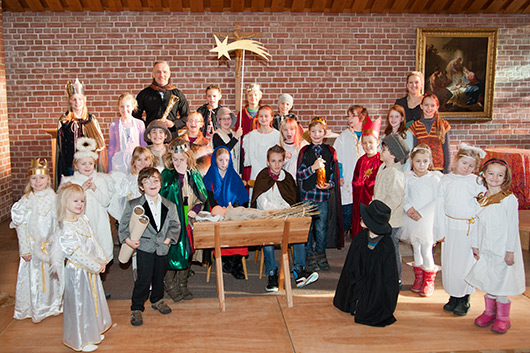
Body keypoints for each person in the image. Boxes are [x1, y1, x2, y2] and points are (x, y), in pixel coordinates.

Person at [466, 159, 525, 334]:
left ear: (505, 178)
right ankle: (489, 312)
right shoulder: (482, 198)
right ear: (483, 174)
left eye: (500, 175)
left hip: (503, 248)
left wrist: (510, 251)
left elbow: (513, 227)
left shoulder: (508, 199)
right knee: (489, 278)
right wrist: (475, 245)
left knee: (502, 281)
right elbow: (478, 223)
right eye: (491, 173)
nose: (495, 178)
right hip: (486, 246)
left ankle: (503, 317)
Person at [251, 145, 318, 291]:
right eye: (273, 161)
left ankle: (299, 271)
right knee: (267, 237)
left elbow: (289, 200)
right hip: (267, 218)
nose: (276, 164)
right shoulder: (262, 176)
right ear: (268, 162)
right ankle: (272, 272)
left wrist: (284, 211)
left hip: (284, 216)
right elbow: (261, 202)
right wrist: (275, 212)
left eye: (280, 161)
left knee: (297, 230)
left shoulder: (287, 178)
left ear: (283, 161)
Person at [119, 167, 179, 326]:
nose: (152, 184)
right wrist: (127, 240)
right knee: (143, 279)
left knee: (160, 276)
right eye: (147, 181)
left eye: (155, 180)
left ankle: (157, 299)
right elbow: (123, 225)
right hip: (144, 248)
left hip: (162, 248)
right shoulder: (134, 205)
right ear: (141, 186)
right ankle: (137, 307)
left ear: (160, 183)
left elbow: (175, 225)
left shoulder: (170, 205)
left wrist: (168, 240)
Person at [58, 183, 111, 352]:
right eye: (75, 201)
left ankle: (92, 331)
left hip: (91, 269)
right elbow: (75, 253)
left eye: (82, 200)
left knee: (92, 300)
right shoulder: (64, 227)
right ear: (64, 202)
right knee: (80, 304)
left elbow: (93, 241)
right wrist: (94, 265)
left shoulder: (83, 219)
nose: (80, 204)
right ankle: (81, 339)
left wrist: (102, 259)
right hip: (78, 271)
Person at [434, 143, 486, 316]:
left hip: (467, 229)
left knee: (465, 264)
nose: (467, 168)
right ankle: (453, 296)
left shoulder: (477, 182)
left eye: (471, 165)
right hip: (450, 227)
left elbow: (481, 207)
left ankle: (464, 298)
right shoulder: (446, 180)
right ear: (456, 161)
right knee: (450, 264)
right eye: (464, 163)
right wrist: (439, 230)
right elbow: (440, 205)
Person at [10, 158, 63, 323]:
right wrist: (25, 249)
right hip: (33, 248)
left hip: (50, 246)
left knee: (52, 277)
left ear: (48, 179)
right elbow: (21, 226)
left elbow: (58, 224)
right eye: (34, 178)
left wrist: (58, 245)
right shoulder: (25, 202)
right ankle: (36, 308)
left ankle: (54, 305)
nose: (38, 182)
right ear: (29, 181)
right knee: (35, 279)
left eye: (41, 178)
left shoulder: (55, 198)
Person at [333, 200, 399, 327]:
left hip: (376, 287)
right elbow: (350, 266)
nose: (361, 218)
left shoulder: (386, 245)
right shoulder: (360, 239)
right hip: (357, 283)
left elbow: (388, 276)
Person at [160, 140, 207, 302]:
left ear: (188, 158)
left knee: (186, 251)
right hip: (171, 220)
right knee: (172, 251)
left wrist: (195, 210)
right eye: (175, 159)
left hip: (188, 218)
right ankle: (170, 285)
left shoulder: (193, 174)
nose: (179, 163)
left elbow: (201, 196)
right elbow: (161, 197)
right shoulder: (167, 175)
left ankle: (182, 284)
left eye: (182, 159)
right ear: (170, 159)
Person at [297, 117, 342, 272]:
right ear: (309, 133)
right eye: (313, 131)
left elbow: (334, 173)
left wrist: (331, 184)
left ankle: (321, 253)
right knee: (308, 227)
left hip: (322, 197)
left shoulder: (330, 151)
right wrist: (313, 168)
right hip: (308, 196)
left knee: (321, 227)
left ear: (325, 133)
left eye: (320, 131)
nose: (317, 134)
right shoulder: (304, 151)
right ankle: (309, 253)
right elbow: (300, 175)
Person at [61, 137, 113, 263]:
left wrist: (95, 189)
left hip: (98, 221)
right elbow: (64, 203)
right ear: (76, 165)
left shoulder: (100, 180)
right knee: (83, 254)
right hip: (79, 222)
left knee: (100, 252)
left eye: (90, 163)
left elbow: (106, 202)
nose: (87, 166)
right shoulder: (70, 181)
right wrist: (81, 190)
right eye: (83, 164)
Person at [398, 145, 441, 297]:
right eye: (418, 161)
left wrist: (421, 212)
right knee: (416, 248)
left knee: (426, 249)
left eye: (425, 161)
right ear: (411, 161)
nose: (421, 165)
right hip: (411, 218)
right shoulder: (407, 177)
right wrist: (409, 208)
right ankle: (418, 278)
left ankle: (429, 280)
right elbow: (403, 195)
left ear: (429, 162)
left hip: (427, 219)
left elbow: (437, 199)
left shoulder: (435, 179)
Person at [203, 146, 249, 279]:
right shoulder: (210, 177)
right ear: (214, 160)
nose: (224, 163)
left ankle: (233, 263)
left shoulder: (233, 176)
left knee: (238, 230)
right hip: (216, 213)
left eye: (227, 160)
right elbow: (210, 201)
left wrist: (232, 208)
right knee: (221, 228)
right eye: (220, 160)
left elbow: (241, 198)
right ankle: (227, 261)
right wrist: (221, 210)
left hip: (232, 212)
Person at [373, 133, 409, 284]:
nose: (381, 151)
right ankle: (383, 275)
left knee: (392, 251)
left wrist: (380, 215)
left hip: (390, 221)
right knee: (382, 250)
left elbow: (393, 200)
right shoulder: (383, 167)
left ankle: (396, 279)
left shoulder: (395, 173)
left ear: (393, 154)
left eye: (384, 149)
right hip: (380, 217)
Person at [56, 79, 106, 187]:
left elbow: (100, 144)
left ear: (84, 101)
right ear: (69, 101)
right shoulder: (64, 121)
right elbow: (60, 146)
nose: (77, 103)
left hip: (87, 165)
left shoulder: (90, 120)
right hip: (70, 164)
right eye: (74, 99)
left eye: (79, 99)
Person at [133, 61, 190, 139]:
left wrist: (173, 124)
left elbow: (187, 117)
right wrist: (148, 125)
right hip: (152, 138)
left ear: (169, 74)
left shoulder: (178, 94)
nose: (162, 75)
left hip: (171, 138)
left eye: (165, 72)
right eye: (158, 72)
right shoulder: (144, 94)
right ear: (153, 74)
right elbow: (135, 116)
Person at [334, 104, 365, 234]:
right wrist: (340, 175)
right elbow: (337, 157)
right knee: (347, 209)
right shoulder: (344, 136)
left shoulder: (368, 135)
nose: (350, 119)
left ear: (362, 117)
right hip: (347, 177)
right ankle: (344, 231)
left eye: (353, 116)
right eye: (348, 116)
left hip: (364, 178)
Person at [351, 116, 382, 238]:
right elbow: (355, 181)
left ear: (377, 142)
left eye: (370, 142)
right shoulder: (360, 161)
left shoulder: (381, 161)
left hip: (373, 201)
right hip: (360, 202)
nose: (367, 146)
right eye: (364, 143)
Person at [409, 94, 451, 174]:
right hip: (421, 169)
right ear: (421, 106)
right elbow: (413, 150)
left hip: (439, 170)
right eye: (426, 105)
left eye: (432, 105)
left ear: (437, 107)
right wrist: (412, 169)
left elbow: (446, 150)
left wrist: (447, 171)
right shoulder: (414, 126)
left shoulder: (443, 125)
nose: (429, 108)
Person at [108, 93, 146, 173]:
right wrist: (110, 167)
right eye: (122, 106)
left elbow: (143, 145)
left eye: (128, 106)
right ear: (118, 108)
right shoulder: (114, 125)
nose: (125, 109)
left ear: (133, 107)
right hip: (119, 161)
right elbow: (111, 146)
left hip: (136, 160)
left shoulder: (139, 124)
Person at [242, 105, 281, 181]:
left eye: (266, 116)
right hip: (256, 173)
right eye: (261, 116)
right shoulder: (253, 135)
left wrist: (271, 172)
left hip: (272, 173)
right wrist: (260, 172)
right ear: (257, 117)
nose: (263, 118)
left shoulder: (277, 135)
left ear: (271, 118)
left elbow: (277, 155)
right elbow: (251, 156)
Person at [235, 83, 262, 181]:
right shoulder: (242, 114)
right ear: (246, 97)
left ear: (259, 96)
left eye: (255, 95)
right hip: (246, 149)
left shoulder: (263, 113)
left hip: (261, 148)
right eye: (250, 95)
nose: (253, 97)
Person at [176, 111, 213, 176]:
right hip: (182, 178)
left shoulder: (205, 143)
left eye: (196, 121)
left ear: (201, 124)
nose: (193, 123)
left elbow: (209, 165)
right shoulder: (179, 141)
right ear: (186, 123)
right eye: (190, 121)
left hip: (199, 179)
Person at [211, 107, 243, 174]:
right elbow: (224, 150)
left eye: (228, 119)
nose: (226, 121)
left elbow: (239, 155)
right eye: (223, 119)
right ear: (219, 121)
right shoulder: (217, 135)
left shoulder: (234, 134)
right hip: (222, 172)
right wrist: (236, 137)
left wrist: (240, 173)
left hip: (235, 171)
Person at [382, 105, 413, 172]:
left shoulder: (407, 135)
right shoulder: (385, 136)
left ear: (402, 118)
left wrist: (405, 172)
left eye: (397, 116)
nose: (393, 119)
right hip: (388, 170)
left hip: (402, 170)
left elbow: (409, 156)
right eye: (391, 116)